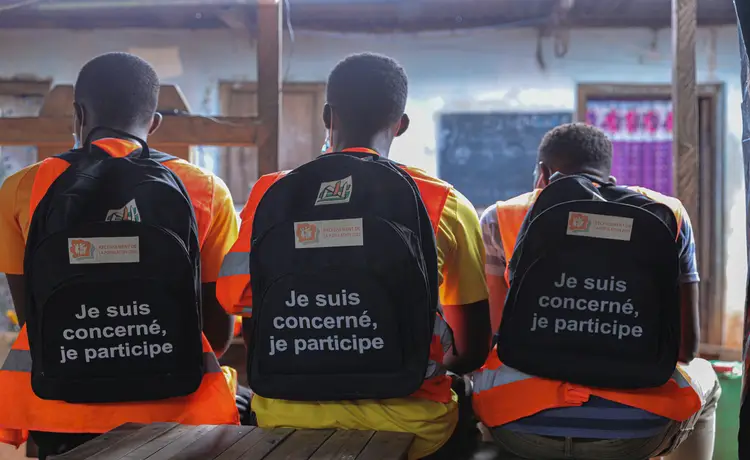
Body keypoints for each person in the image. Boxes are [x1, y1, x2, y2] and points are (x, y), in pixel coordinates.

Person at [217, 53, 490, 459]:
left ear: (328, 116)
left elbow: (234, 299)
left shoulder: (270, 195)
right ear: (401, 124)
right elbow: (470, 350)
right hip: (413, 428)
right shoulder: (443, 202)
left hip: (286, 420)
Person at [0, 52, 239, 459]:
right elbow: (218, 334)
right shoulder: (205, 190)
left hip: (58, 411)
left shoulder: (23, 188)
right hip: (177, 414)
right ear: (155, 122)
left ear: (77, 115)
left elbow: (35, 319)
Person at [472, 122, 720, 460]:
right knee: (705, 375)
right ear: (609, 177)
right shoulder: (666, 212)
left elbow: (501, 334)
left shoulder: (499, 217)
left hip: (521, 423)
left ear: (543, 173)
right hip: (637, 426)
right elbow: (685, 348)